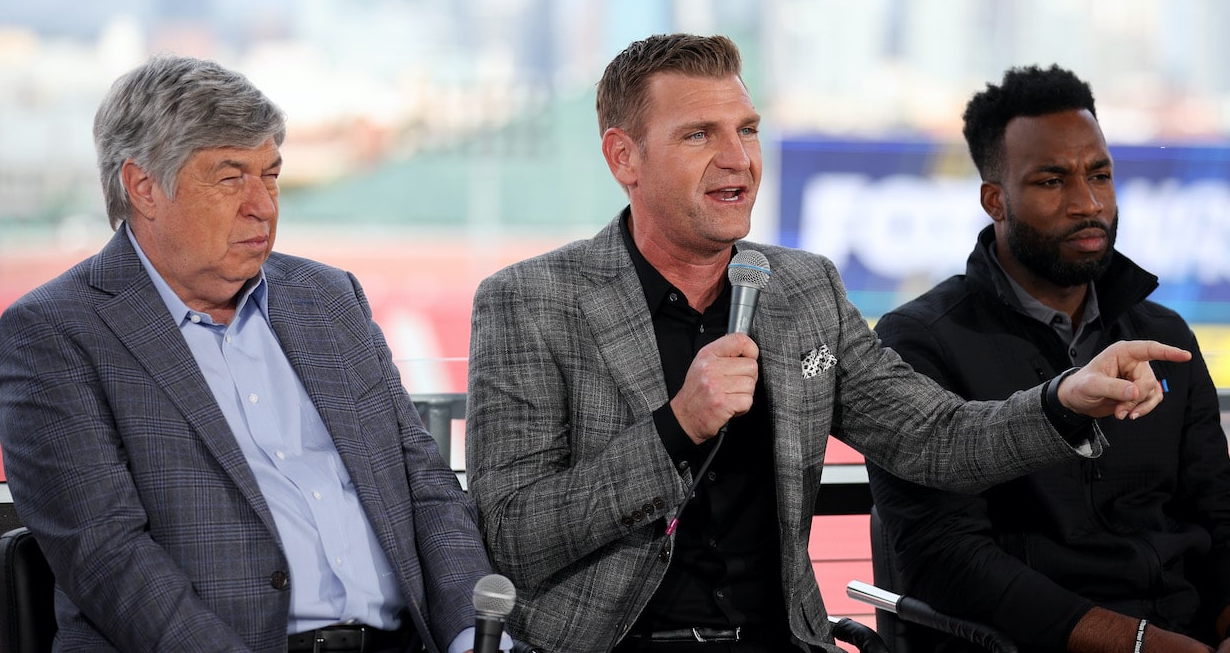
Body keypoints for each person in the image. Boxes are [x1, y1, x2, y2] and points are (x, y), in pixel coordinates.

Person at [464, 33, 1188, 653]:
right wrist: (675, 427)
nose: (738, 159)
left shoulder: (802, 288)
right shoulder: (530, 301)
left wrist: (1062, 401)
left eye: (746, 130)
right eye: (699, 135)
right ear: (624, 157)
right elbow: (514, 533)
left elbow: (933, 436)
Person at [0, 55, 504, 653]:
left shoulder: (328, 299)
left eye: (272, 175)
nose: (262, 205)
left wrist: (473, 637)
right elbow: (109, 559)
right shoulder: (53, 334)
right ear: (144, 187)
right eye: (231, 178)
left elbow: (425, 487)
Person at [865, 64, 1230, 653]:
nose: (1087, 203)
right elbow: (944, 559)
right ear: (995, 200)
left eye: (1100, 175)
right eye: (1052, 181)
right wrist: (1137, 643)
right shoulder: (919, 342)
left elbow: (1219, 517)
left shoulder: (1166, 335)